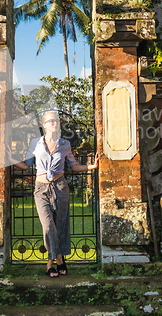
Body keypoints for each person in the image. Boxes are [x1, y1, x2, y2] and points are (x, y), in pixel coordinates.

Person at [14, 111, 99, 277]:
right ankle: (59, 258)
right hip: (41, 189)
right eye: (50, 121)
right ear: (44, 125)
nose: (54, 123)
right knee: (47, 225)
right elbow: (26, 166)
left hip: (60, 187)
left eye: (56, 121)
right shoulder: (35, 143)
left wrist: (92, 167)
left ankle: (50, 264)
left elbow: (73, 167)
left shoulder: (65, 144)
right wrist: (8, 158)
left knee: (59, 226)